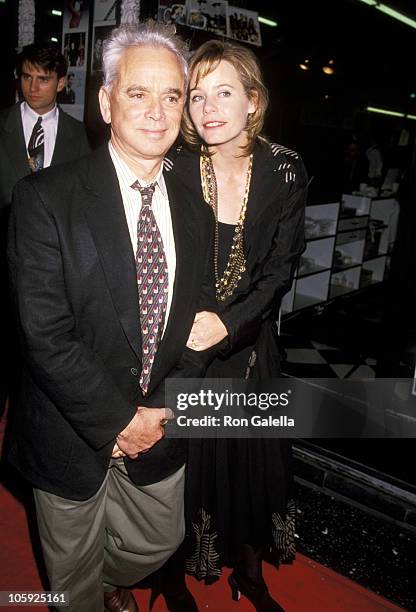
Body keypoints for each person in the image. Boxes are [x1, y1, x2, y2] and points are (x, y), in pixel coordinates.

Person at [7, 23, 218, 612]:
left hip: (159, 421)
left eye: (172, 96)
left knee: (159, 539)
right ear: (106, 101)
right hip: (71, 428)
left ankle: (109, 576)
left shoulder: (195, 208)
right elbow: (44, 335)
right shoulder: (45, 198)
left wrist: (168, 406)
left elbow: (203, 320)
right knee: (68, 584)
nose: (157, 112)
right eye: (137, 93)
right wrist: (118, 420)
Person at [166, 40, 307, 611]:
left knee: (251, 463)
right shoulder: (174, 165)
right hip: (184, 345)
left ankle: (248, 573)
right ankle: (168, 574)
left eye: (224, 92)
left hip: (249, 350)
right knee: (183, 466)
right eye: (197, 96)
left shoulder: (284, 169)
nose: (209, 109)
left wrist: (228, 325)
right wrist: (195, 329)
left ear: (253, 100)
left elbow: (280, 270)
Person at [0, 44, 89, 414]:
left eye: (44, 79)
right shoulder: (0, 123)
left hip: (53, 272)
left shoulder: (78, 136)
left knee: (38, 371)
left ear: (62, 83)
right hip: (1, 265)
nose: (33, 86)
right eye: (26, 77)